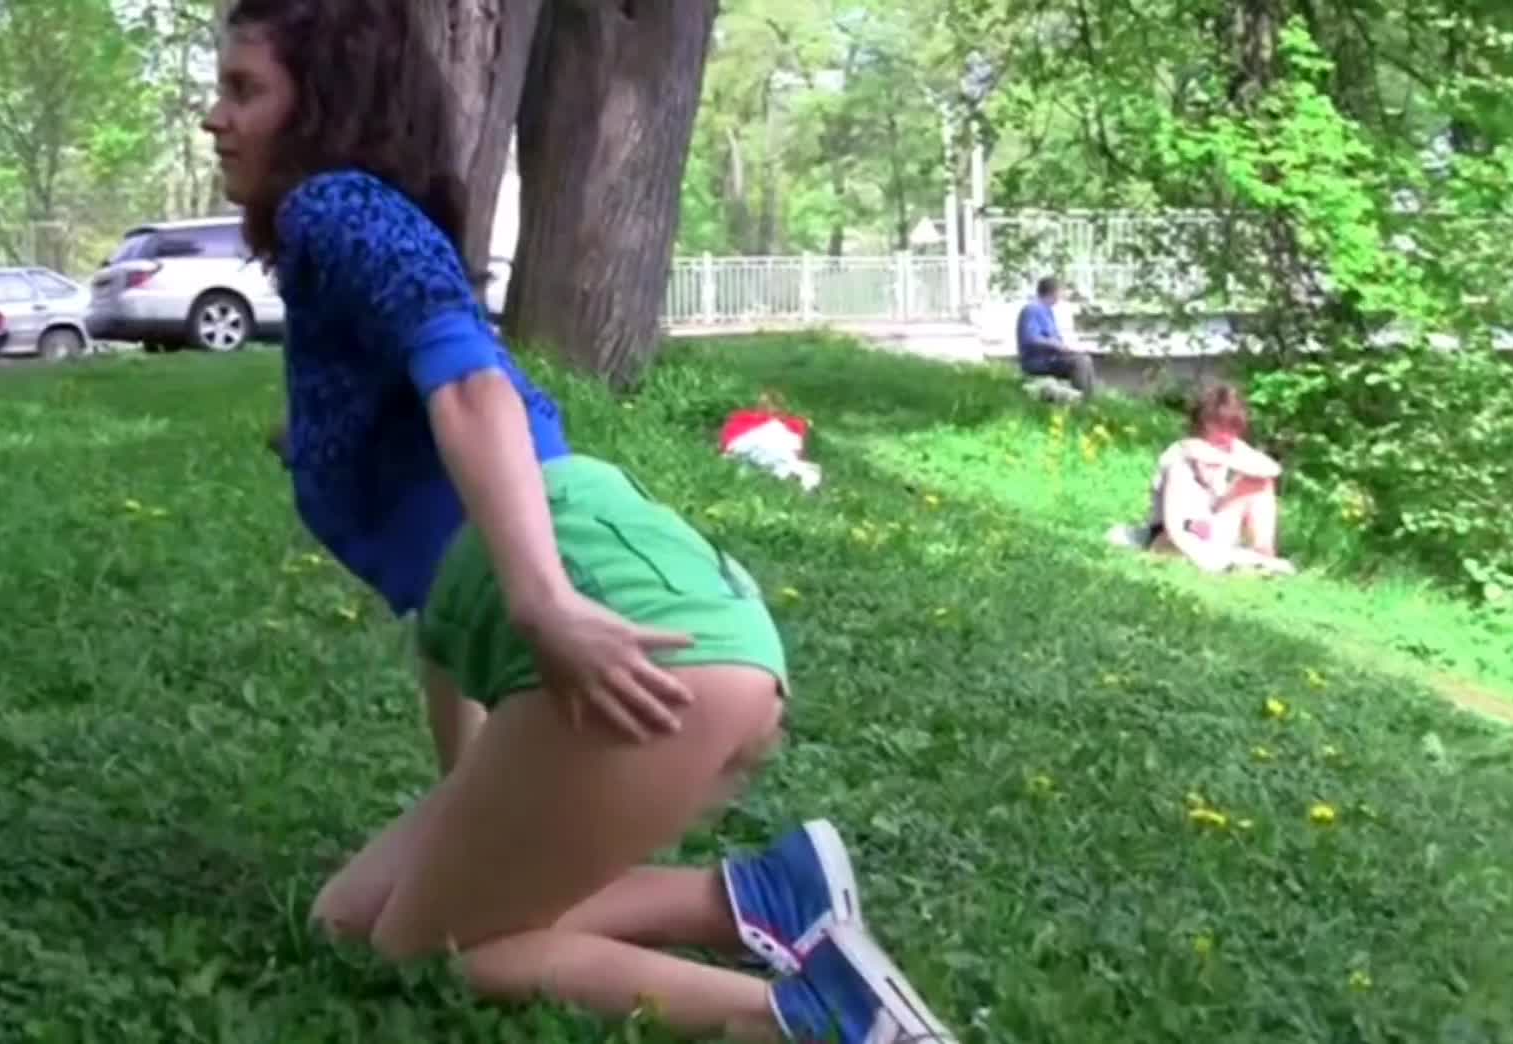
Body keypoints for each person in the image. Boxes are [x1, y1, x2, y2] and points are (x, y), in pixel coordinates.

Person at [206, 2, 957, 1041]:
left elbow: (474, 390)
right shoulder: (348, 267)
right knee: (350, 921)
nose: (215, 118)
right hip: (651, 607)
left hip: (622, 619)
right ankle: (758, 901)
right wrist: (478, 795)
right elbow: (443, 608)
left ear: (320, 105)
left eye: (243, 90)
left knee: (431, 950)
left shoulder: (333, 205)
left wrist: (543, 603)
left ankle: (827, 1023)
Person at [1143, 383, 1295, 576]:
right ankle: (1220, 559)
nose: (1225, 433)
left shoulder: (1231, 448)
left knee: (1260, 483)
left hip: (1211, 526)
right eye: (1218, 425)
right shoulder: (1181, 453)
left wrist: (1222, 458)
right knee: (1181, 538)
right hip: (1179, 531)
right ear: (1203, 423)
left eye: (1232, 427)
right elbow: (1174, 522)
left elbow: (1272, 470)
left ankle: (1265, 555)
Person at [1015, 276, 1095, 398]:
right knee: (1081, 362)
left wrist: (1065, 348)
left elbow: (1053, 338)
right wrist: (1055, 345)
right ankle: (1080, 400)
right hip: (1037, 361)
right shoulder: (1031, 310)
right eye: (1061, 292)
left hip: (1051, 358)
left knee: (1085, 358)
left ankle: (1089, 399)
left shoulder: (1047, 311)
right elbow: (1031, 338)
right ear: (1053, 292)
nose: (1061, 296)